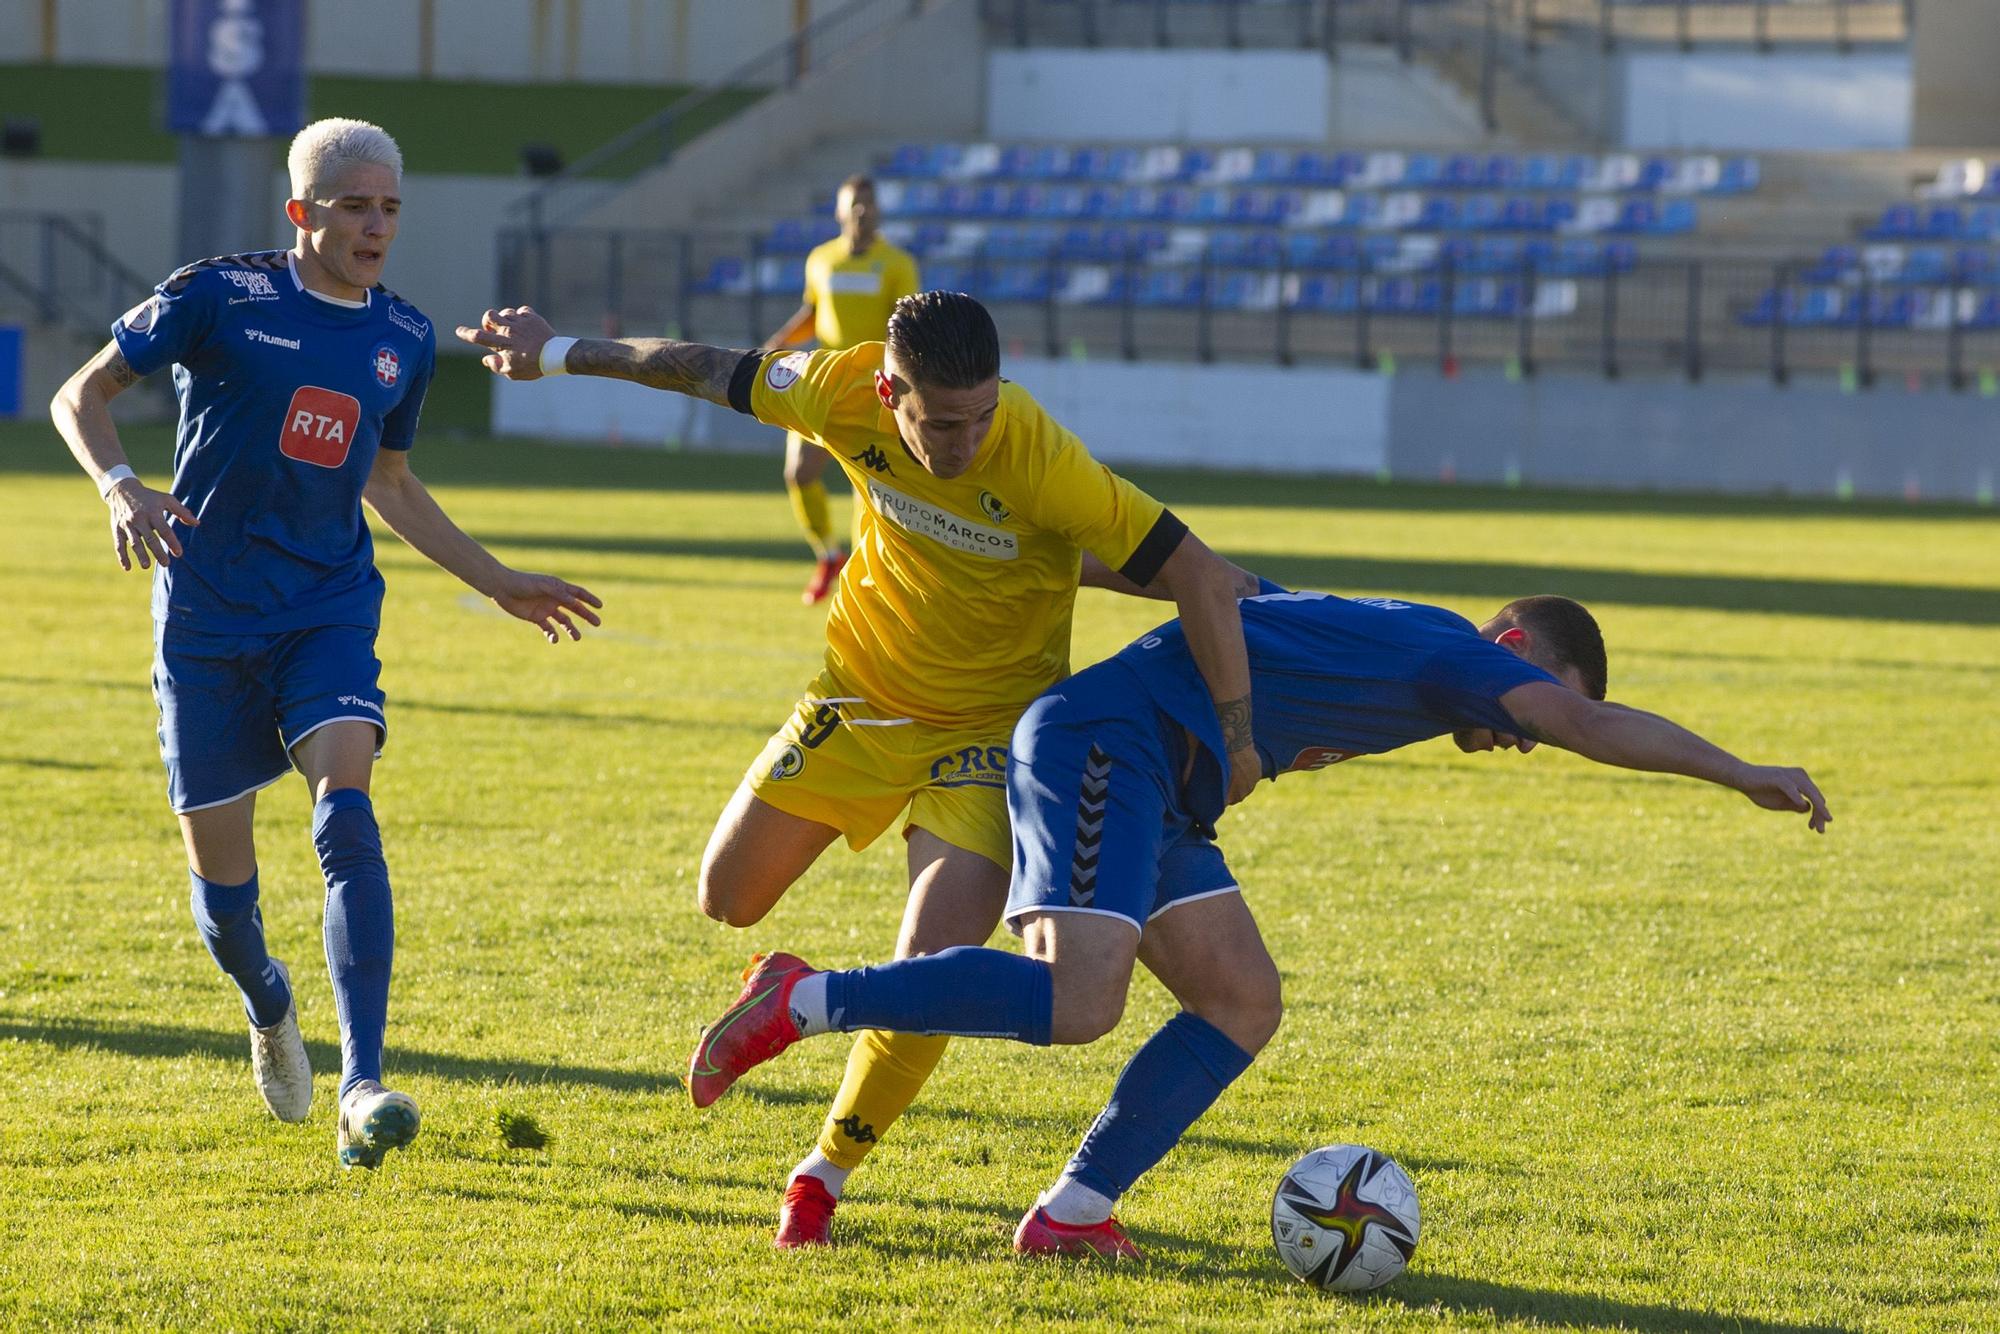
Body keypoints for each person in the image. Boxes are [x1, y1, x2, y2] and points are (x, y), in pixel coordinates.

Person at [685, 590, 1832, 1257]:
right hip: (1104, 743)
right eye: (1540, 708)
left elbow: (1240, 603)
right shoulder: (1455, 655)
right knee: (1078, 1001)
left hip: (1164, 782)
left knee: (1240, 998)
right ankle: (802, 995)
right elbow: (1591, 726)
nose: (1529, 736)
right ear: (1516, 649)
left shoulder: (1406, 642)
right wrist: (1738, 770)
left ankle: (1073, 1211)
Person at [458, 292, 1259, 1245]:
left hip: (990, 734)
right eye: (941, 424)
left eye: (982, 416)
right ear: (888, 392)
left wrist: (1252, 704)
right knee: (728, 896)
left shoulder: (1044, 458)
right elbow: (696, 366)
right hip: (858, 700)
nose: (966, 442)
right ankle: (782, 985)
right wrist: (556, 353)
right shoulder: (836, 390)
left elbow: (1186, 568)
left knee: (928, 969)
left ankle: (822, 1175)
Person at [48, 118, 603, 1170]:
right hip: (207, 617)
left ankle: (362, 1082)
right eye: (354, 206)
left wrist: (496, 579)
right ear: (302, 212)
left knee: (346, 810)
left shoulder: (403, 337)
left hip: (326, 607)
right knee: (228, 906)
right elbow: (81, 394)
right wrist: (122, 486)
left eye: (389, 207)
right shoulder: (219, 296)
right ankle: (268, 1003)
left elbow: (388, 481)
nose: (375, 225)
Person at [761, 174, 920, 604]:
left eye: (869, 204)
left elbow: (905, 327)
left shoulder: (897, 263)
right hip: (822, 381)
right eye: (854, 204)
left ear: (879, 211)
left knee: (867, 486)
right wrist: (778, 344)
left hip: (872, 389)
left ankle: (864, 576)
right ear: (838, 211)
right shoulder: (821, 259)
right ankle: (829, 555)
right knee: (799, 474)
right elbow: (814, 312)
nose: (862, 212)